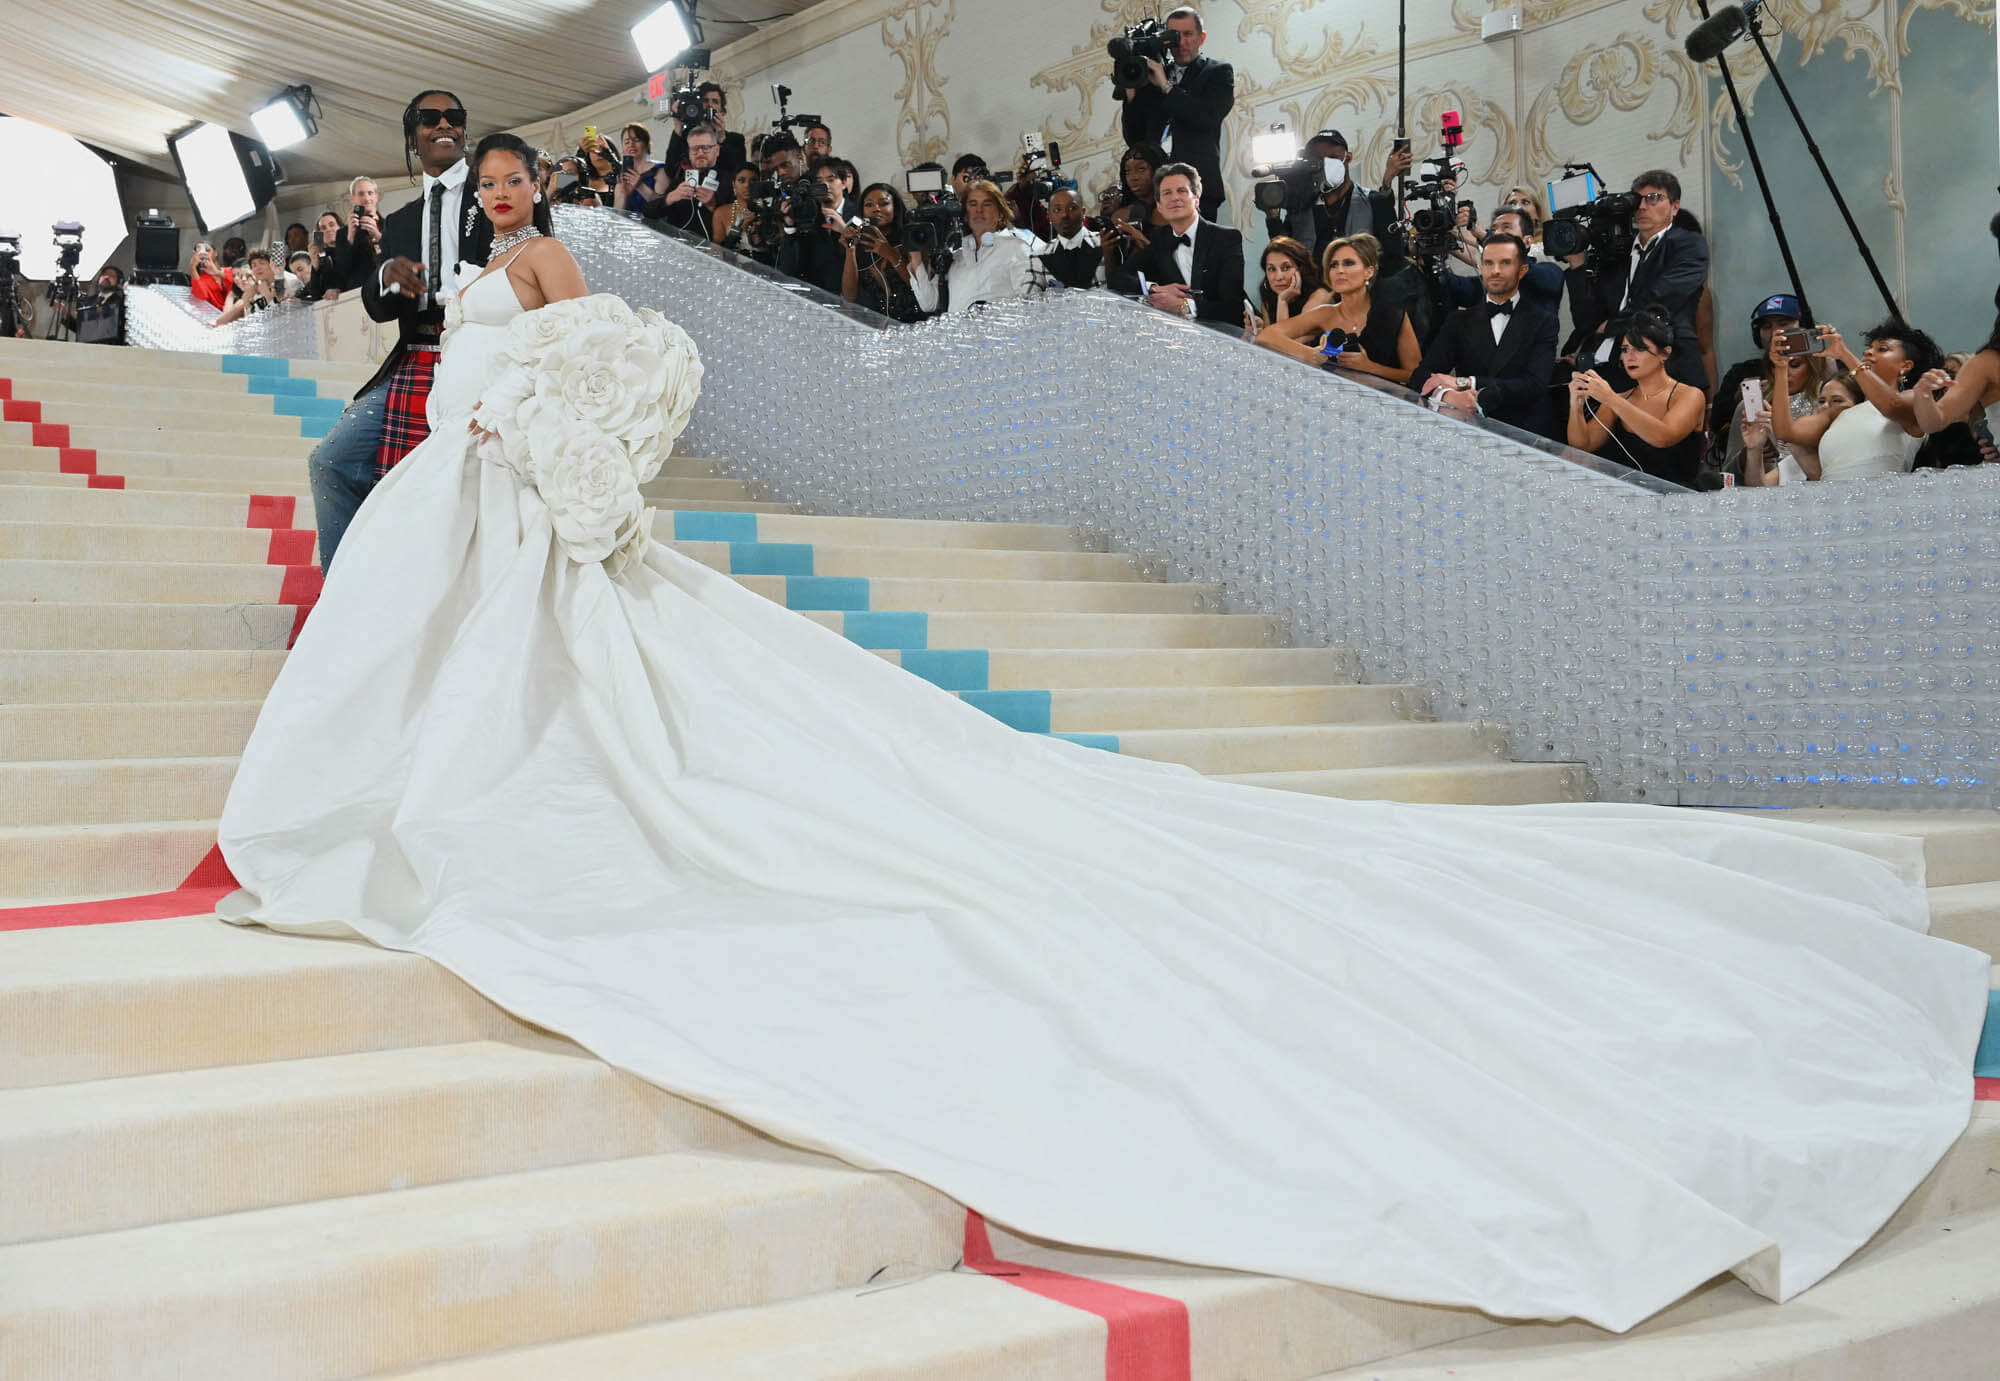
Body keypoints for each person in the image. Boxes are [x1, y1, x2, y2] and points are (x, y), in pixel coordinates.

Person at [212, 117, 1987, 1340]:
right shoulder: (472, 263)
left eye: (514, 176)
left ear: (537, 188)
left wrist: (543, 437)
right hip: (472, 487)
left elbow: (633, 364)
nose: (505, 195)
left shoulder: (553, 265)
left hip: (517, 486)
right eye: (491, 180)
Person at [305, 89, 492, 571]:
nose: (444, 124)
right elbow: (377, 309)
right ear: (412, 139)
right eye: (430, 118)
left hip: (484, 361)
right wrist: (387, 273)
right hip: (416, 358)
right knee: (330, 461)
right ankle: (347, 593)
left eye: (454, 116)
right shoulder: (400, 221)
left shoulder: (495, 196)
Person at [1563, 170, 1709, 391]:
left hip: (1667, 368)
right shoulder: (1617, 254)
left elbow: (1660, 301)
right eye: (1636, 200)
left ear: (1674, 207)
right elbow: (1587, 322)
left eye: (1653, 198)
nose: (1642, 207)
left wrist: (1612, 325)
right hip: (1609, 370)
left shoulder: (1687, 245)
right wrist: (1577, 265)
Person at [1412, 232, 1560, 435]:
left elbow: (1533, 385)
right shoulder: (1459, 321)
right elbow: (1421, 375)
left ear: (1522, 270)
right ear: (1481, 268)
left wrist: (1465, 383)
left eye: (1505, 263)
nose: (1495, 271)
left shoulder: (1543, 321)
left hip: (1527, 432)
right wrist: (1447, 396)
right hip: (1471, 429)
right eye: (1489, 263)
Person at [1769, 319, 1937, 480]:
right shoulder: (1844, 411)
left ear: (1906, 366)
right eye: (1869, 348)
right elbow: (1786, 431)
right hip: (1833, 497)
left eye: (1882, 349)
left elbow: (1891, 405)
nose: (1867, 352)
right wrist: (1781, 368)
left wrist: (1844, 354)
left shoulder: (1916, 399)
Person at [1565, 305, 1707, 487]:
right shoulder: (1620, 399)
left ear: (1665, 353)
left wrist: (1611, 399)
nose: (1629, 357)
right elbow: (1583, 445)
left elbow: (1663, 437)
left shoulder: (1690, 395)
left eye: (1639, 349)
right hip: (1628, 493)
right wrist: (1575, 406)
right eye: (1625, 350)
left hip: (1679, 495)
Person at [1115, 6, 1234, 220]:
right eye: (1174, 35)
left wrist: (1166, 87)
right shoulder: (1152, 74)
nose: (1181, 42)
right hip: (1156, 194)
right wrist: (1131, 93)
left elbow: (1206, 118)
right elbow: (1135, 139)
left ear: (1201, 38)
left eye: (1188, 34)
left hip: (1198, 188)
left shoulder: (1217, 72)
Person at [1258, 233, 1419, 383]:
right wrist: (1309, 354)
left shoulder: (1391, 313)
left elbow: (1415, 374)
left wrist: (1370, 368)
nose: (1339, 270)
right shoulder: (1326, 313)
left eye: (1348, 263)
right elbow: (1267, 336)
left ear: (1369, 272)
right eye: (1333, 265)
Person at [1105, 164, 1243, 332]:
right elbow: (1119, 277)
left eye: (1182, 191)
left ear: (1196, 199)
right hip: (1179, 334)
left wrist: (1182, 306)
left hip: (1227, 333)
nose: (1175, 198)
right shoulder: (1159, 238)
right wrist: (1153, 288)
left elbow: (1233, 308)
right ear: (1159, 206)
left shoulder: (1226, 238)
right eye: (1167, 193)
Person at [911, 180, 1036, 314]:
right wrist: (916, 258)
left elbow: (1030, 303)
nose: (979, 210)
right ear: (965, 215)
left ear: (1000, 214)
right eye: (973, 204)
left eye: (987, 204)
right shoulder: (957, 257)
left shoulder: (1016, 248)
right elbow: (928, 304)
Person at [1727, 332, 1826, 485]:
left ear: (1813, 367)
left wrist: (1783, 433)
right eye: (1775, 365)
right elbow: (1728, 473)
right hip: (1763, 488)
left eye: (1794, 365)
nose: (1785, 371)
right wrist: (1750, 454)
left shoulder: (1825, 404)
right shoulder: (1753, 406)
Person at [1709, 293, 1802, 451]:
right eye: (1766, 327)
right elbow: (1716, 424)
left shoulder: (1825, 366)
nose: (1775, 332)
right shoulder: (1742, 373)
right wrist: (1737, 400)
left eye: (1783, 323)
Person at [841, 183, 928, 322]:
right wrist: (850, 250)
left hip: (918, 322)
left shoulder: (911, 237)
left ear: (895, 208)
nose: (876, 209)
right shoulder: (860, 244)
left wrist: (890, 254)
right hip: (879, 325)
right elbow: (850, 296)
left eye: (884, 203)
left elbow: (922, 288)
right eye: (869, 205)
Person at [1097, 144, 1168, 282]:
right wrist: (1107, 252)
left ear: (1158, 170)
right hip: (1132, 291)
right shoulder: (1120, 216)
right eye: (1128, 171)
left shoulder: (1174, 211)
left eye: (1141, 169)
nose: (1133, 177)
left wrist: (1146, 245)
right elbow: (1113, 280)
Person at [664, 83, 749, 183]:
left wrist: (721, 138)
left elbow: (737, 172)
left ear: (722, 110)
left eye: (715, 101)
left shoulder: (736, 140)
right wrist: (677, 127)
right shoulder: (685, 138)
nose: (710, 105)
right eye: (705, 101)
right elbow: (670, 171)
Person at [653, 123, 724, 238]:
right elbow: (648, 211)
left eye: (705, 148)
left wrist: (713, 205)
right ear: (689, 153)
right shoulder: (681, 179)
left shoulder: (730, 180)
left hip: (711, 246)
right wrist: (671, 197)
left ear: (717, 150)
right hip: (677, 243)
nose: (700, 153)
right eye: (695, 149)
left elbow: (736, 219)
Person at [1244, 235, 1319, 337]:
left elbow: (1284, 343)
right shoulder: (1269, 296)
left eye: (1286, 267)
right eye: (1272, 269)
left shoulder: (1319, 296)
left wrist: (1283, 301)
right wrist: (1263, 331)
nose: (1278, 277)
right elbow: (1273, 342)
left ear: (1301, 269)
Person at [1035, 187, 1102, 291]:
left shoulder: (1104, 242)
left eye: (1072, 208)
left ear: (1083, 212)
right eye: (1057, 210)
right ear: (1049, 216)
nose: (1064, 215)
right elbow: (1028, 298)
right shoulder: (1038, 256)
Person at [210, 249, 288, 326]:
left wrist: (266, 294)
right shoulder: (252, 295)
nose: (258, 268)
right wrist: (246, 303)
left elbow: (279, 319)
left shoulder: (283, 283)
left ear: (272, 265)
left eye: (262, 263)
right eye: (254, 265)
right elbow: (252, 322)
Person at [613, 123, 673, 220]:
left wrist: (640, 186)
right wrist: (623, 194)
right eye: (627, 142)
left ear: (646, 144)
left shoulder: (660, 170)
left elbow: (663, 206)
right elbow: (617, 217)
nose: (631, 145)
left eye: (636, 140)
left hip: (654, 227)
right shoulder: (621, 176)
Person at [711, 164, 761, 253]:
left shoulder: (768, 211)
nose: (747, 185)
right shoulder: (721, 213)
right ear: (733, 184)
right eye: (741, 180)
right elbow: (716, 252)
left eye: (753, 181)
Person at [187, 241, 234, 310]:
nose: (203, 253)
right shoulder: (201, 279)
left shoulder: (230, 271)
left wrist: (218, 273)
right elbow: (201, 299)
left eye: (207, 250)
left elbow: (238, 285)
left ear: (215, 253)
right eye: (199, 251)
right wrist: (192, 268)